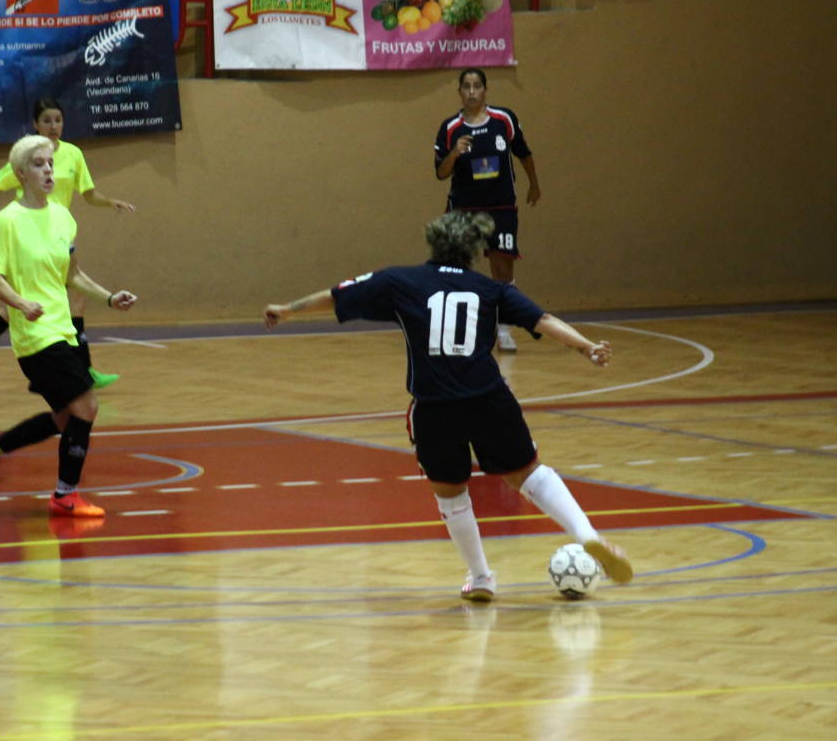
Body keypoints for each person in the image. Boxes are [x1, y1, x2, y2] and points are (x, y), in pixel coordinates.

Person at [263, 211, 632, 602]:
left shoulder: (399, 281)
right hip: (489, 400)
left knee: (451, 494)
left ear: (434, 243)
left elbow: (338, 296)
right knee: (529, 474)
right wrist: (587, 347)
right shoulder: (491, 289)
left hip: (435, 407)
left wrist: (288, 309)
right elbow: (542, 320)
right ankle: (587, 535)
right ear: (473, 251)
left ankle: (482, 576)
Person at [0, 134, 137, 518]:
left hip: (63, 330)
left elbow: (73, 275)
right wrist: (22, 303)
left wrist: (109, 298)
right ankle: (65, 495)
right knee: (87, 406)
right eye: (39, 164)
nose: (49, 171)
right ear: (20, 173)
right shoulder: (8, 221)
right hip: (34, 335)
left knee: (64, 418)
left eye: (51, 164)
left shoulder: (63, 217)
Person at [0, 98, 136, 395]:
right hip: (29, 237)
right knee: (20, 307)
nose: (53, 126)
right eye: (46, 120)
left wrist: (110, 202)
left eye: (58, 119)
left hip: (57, 233)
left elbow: (89, 193)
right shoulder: (24, 161)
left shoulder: (72, 155)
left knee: (70, 299)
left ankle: (70, 368)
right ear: (35, 124)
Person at [433, 68, 541, 353]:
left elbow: (523, 152)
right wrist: (455, 153)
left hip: (500, 206)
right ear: (459, 92)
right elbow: (441, 173)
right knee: (455, 269)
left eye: (477, 86)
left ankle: (503, 331)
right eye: (466, 86)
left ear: (485, 89)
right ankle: (457, 330)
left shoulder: (504, 119)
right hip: (464, 209)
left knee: (503, 268)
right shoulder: (450, 128)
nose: (472, 91)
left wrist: (534, 183)